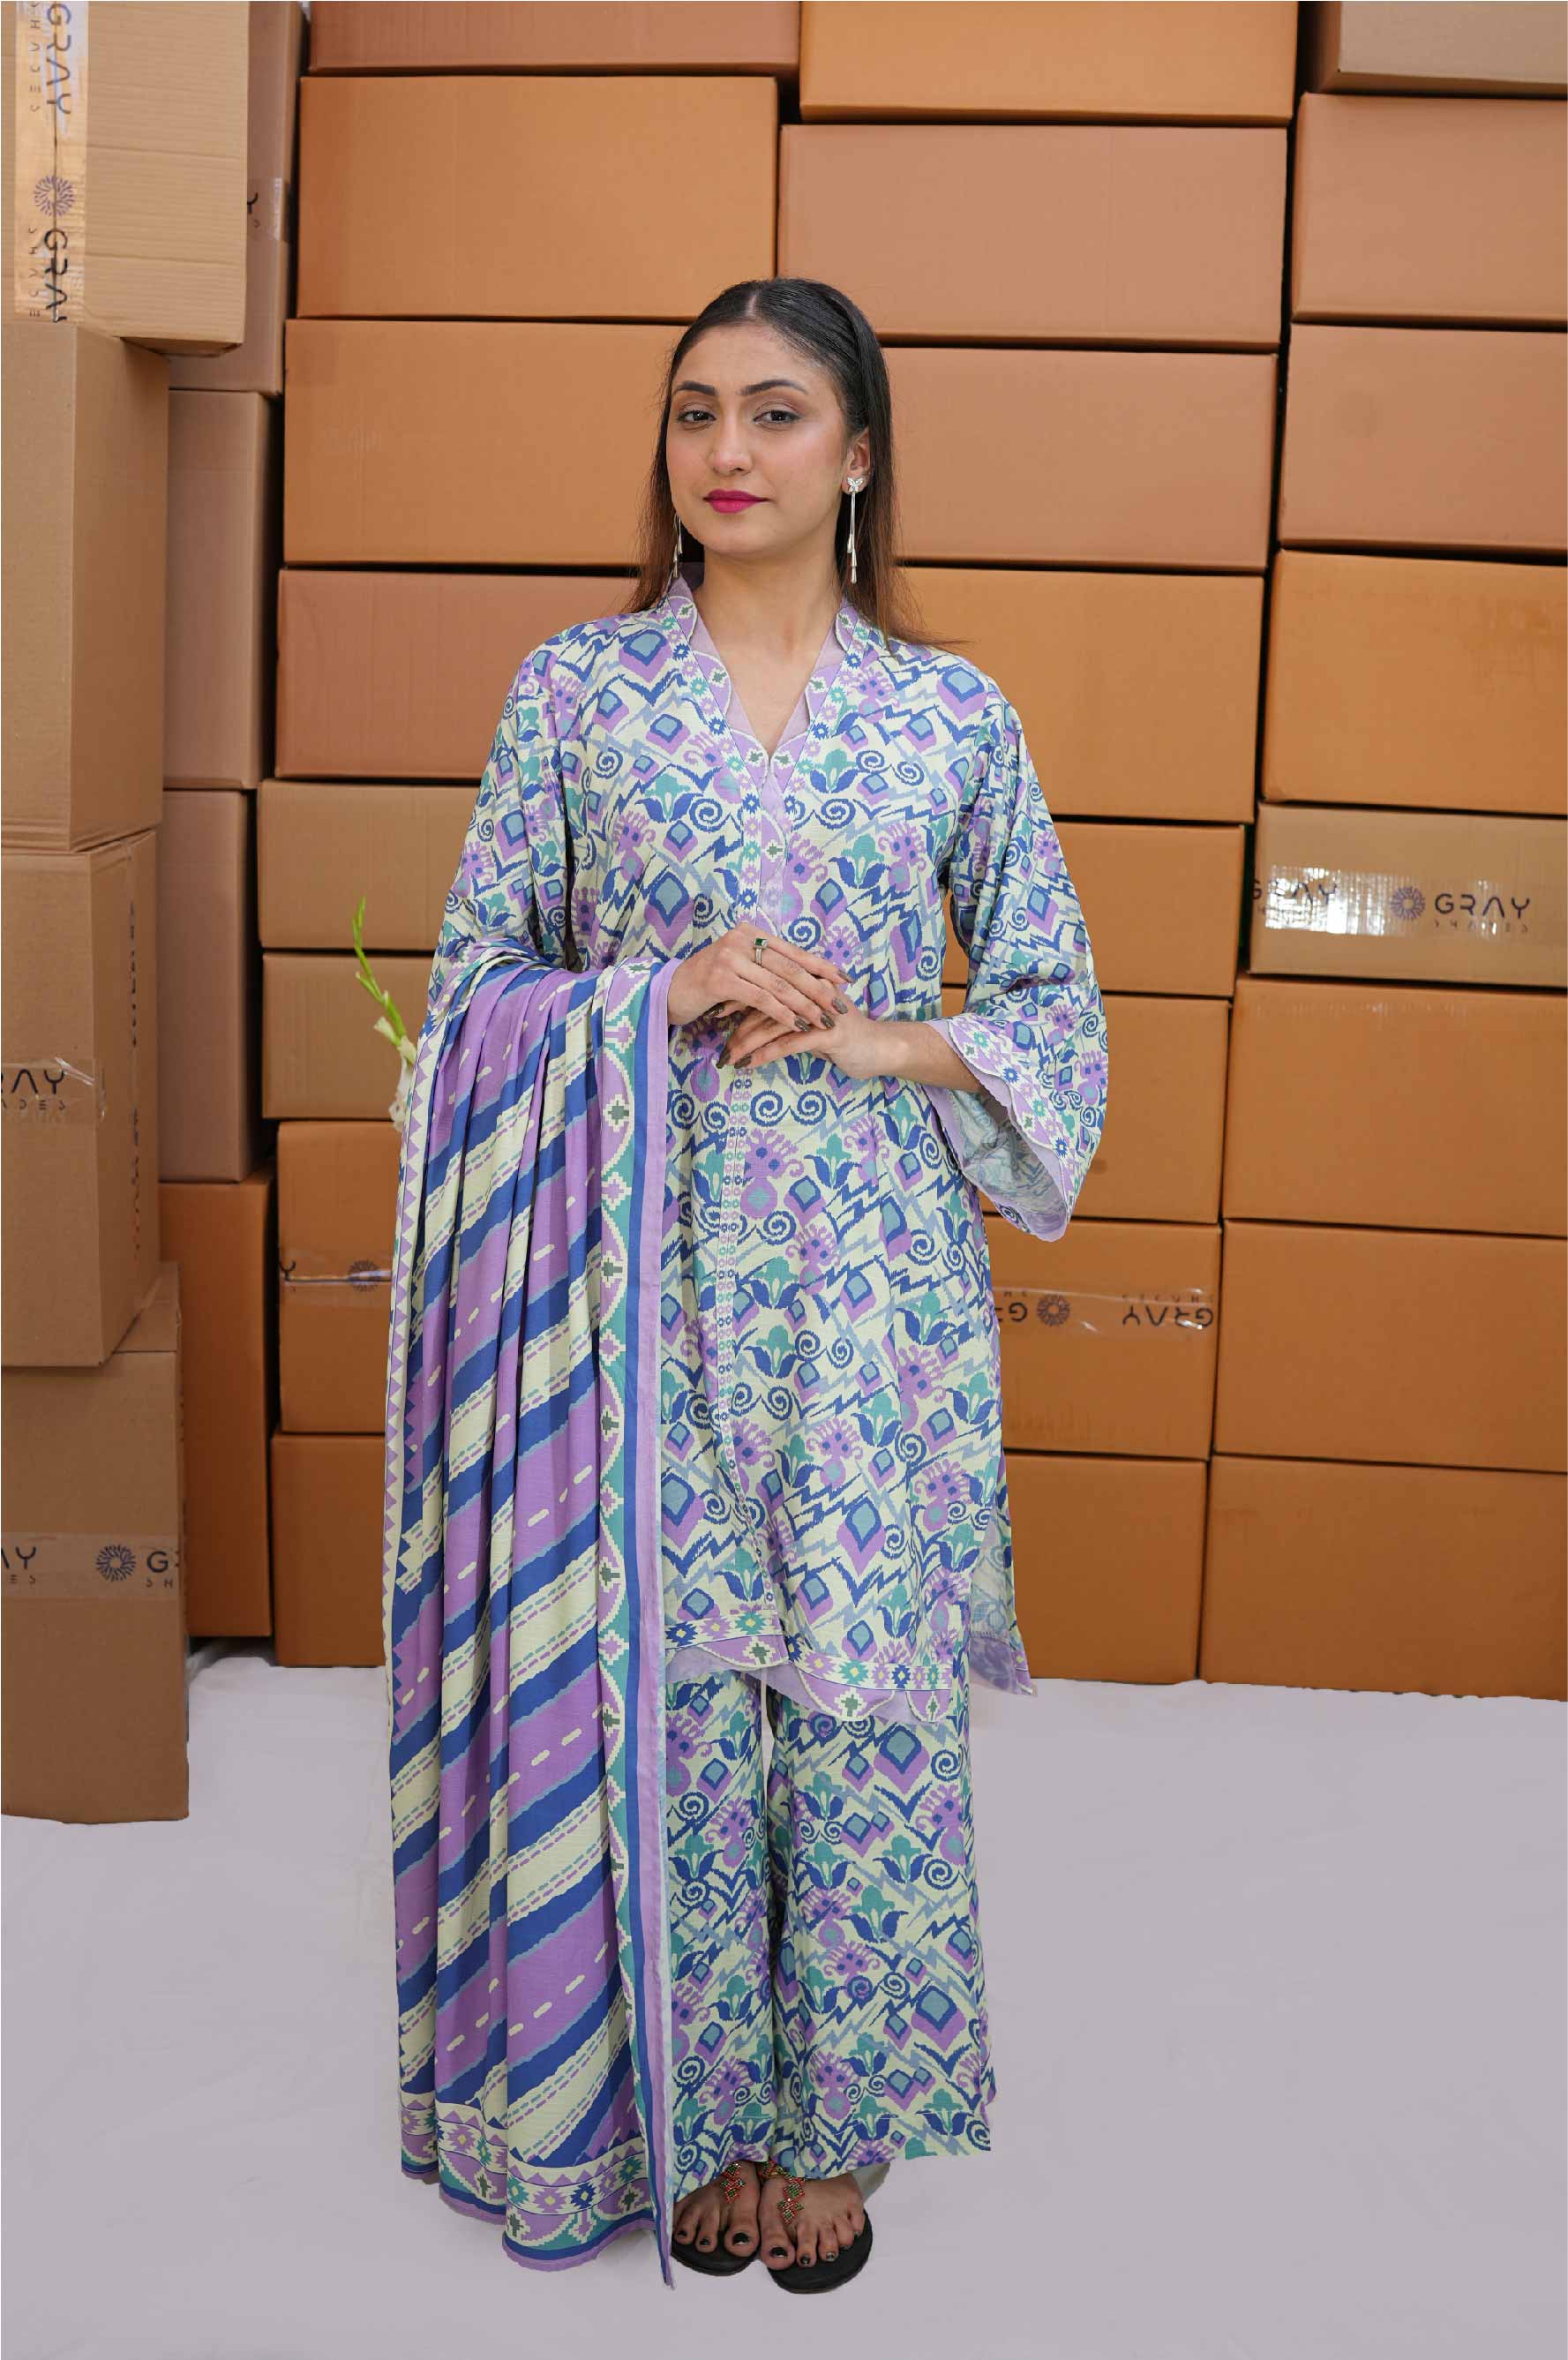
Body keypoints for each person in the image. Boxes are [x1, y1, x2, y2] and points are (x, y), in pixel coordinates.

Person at [381, 277, 1107, 2296]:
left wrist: (884, 1039)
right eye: (695, 408)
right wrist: (659, 988)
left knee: (855, 1678)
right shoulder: (578, 692)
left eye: (777, 411)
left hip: (867, 1285)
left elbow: (1053, 1002)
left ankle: (831, 2114)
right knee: (678, 1674)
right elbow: (465, 997)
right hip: (633, 1268)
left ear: (857, 450)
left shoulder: (949, 714)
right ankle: (686, 2102)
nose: (727, 447)